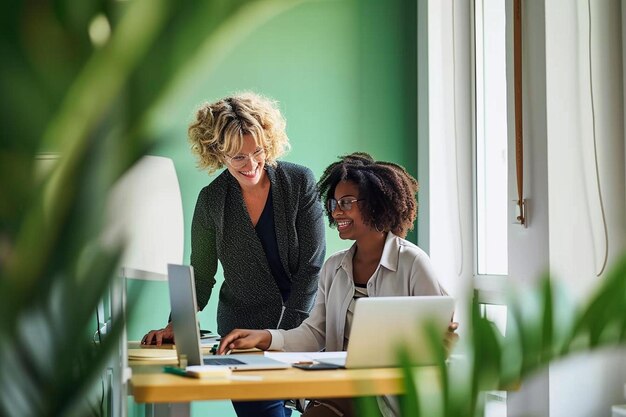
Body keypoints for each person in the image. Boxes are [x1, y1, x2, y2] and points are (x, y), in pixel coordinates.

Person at [218, 152, 456, 417]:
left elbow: (441, 337)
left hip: (392, 399)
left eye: (347, 202)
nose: (336, 211)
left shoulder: (412, 262)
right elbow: (313, 333)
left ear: (377, 204)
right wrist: (263, 336)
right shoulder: (335, 266)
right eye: (333, 203)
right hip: (340, 391)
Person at [142, 92, 326, 417]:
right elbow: (200, 274)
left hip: (302, 328)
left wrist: (282, 337)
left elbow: (311, 269)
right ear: (216, 152)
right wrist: (178, 323)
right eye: (238, 157)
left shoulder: (299, 182)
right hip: (241, 337)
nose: (252, 164)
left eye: (258, 151)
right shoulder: (211, 200)